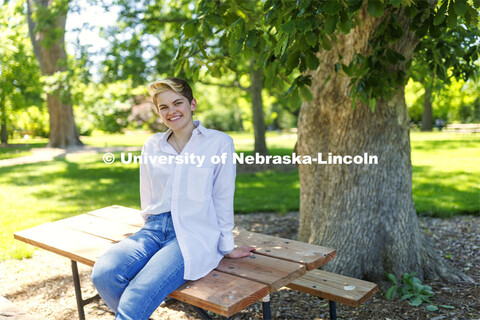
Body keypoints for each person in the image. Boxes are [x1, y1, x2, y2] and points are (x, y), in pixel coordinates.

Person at [91, 77, 255, 320]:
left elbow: (222, 197)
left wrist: (226, 246)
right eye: (163, 107)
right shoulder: (152, 145)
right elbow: (147, 194)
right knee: (103, 273)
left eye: (177, 103)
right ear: (158, 112)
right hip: (154, 230)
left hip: (192, 233)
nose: (171, 111)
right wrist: (149, 231)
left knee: (138, 293)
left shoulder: (219, 143)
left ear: (192, 104)